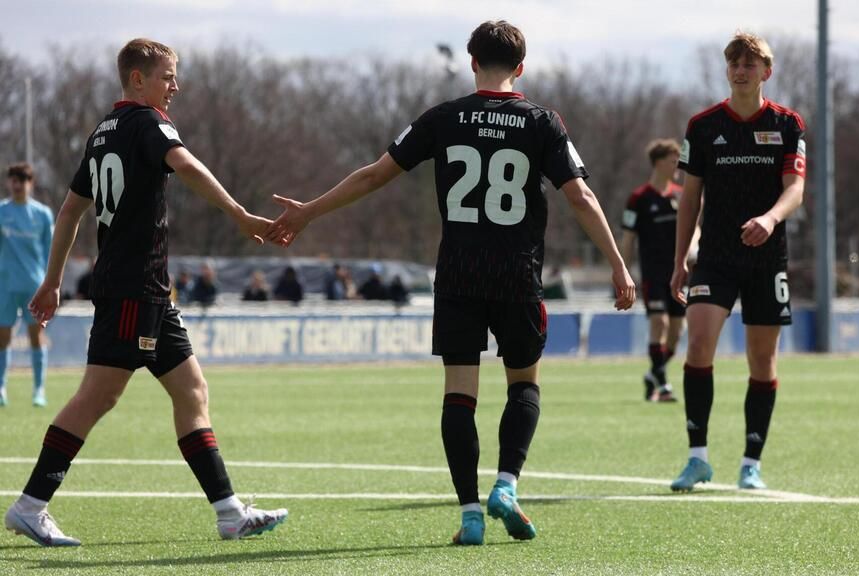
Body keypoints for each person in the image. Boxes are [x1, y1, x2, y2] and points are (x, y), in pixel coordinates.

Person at [267, 20, 634, 546]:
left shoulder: (444, 118)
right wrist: (618, 263)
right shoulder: (542, 122)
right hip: (517, 275)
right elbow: (581, 196)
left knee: (459, 395)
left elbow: (373, 174)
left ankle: (469, 514)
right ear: (522, 67)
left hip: (459, 276)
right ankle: (506, 485)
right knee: (524, 385)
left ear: (471, 61)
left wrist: (309, 212)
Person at [3, 39, 287, 547]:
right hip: (134, 288)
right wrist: (240, 214)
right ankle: (30, 505)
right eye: (167, 76)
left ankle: (228, 512)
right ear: (137, 79)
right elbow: (188, 166)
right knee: (97, 397)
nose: (174, 85)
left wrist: (52, 282)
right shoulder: (148, 123)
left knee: (192, 390)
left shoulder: (101, 132)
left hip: (147, 291)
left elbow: (70, 210)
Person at [669, 32, 806, 492]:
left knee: (761, 361)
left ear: (766, 72)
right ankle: (697, 457)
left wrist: (770, 218)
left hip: (768, 259)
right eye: (734, 63)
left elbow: (796, 189)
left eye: (750, 64)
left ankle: (751, 461)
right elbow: (690, 199)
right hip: (716, 259)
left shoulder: (788, 124)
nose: (740, 70)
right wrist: (679, 259)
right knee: (698, 344)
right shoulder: (703, 126)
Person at [620, 139, 692, 403]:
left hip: (679, 274)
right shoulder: (638, 199)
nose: (678, 166)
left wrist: (694, 248)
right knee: (659, 322)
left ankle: (653, 374)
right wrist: (622, 271)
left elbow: (694, 228)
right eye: (674, 161)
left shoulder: (682, 194)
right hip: (652, 273)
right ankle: (662, 385)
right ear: (659, 162)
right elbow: (628, 238)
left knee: (677, 330)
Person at [0, 163, 53, 407]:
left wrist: (51, 282)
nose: (17, 184)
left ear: (30, 183)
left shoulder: (42, 215)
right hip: (5, 285)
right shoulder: (1, 211)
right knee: (3, 337)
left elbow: (51, 252)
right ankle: (1, 387)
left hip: (34, 284)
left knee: (36, 336)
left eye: (22, 179)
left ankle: (39, 390)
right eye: (14, 179)